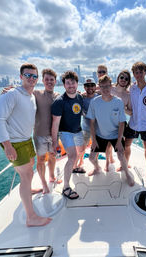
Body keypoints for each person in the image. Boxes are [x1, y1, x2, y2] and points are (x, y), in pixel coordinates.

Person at [0, 63, 51, 227]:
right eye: (28, 75)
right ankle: (31, 217)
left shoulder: (31, 96)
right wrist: (8, 146)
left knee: (28, 171)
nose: (31, 78)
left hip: (26, 139)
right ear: (21, 77)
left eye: (34, 76)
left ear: (37, 79)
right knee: (26, 176)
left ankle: (27, 190)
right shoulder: (12, 94)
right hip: (15, 142)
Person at [86, 75, 134, 187]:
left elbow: (122, 123)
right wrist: (93, 140)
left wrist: (119, 140)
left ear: (111, 86)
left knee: (121, 155)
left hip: (115, 134)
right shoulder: (94, 102)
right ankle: (97, 168)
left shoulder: (118, 102)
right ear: (99, 87)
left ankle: (127, 173)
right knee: (91, 158)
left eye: (107, 86)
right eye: (102, 86)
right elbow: (91, 123)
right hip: (100, 134)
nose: (105, 89)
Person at [51, 71, 84, 199]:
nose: (71, 85)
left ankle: (75, 167)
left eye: (73, 82)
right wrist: (54, 143)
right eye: (68, 83)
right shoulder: (59, 102)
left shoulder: (79, 97)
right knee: (72, 156)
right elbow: (55, 124)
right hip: (66, 132)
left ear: (77, 83)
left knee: (81, 151)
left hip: (78, 130)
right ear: (64, 85)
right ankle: (65, 187)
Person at [124, 61, 146, 177]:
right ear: (133, 74)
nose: (139, 75)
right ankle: (125, 164)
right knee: (127, 145)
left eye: (141, 72)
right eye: (136, 73)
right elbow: (115, 88)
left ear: (145, 72)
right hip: (133, 123)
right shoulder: (131, 88)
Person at [33, 69, 61, 194]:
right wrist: (9, 89)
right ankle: (44, 183)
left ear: (55, 81)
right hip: (40, 134)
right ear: (42, 81)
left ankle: (52, 177)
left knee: (53, 156)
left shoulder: (58, 96)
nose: (49, 82)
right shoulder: (36, 94)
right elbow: (21, 92)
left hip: (54, 135)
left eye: (51, 79)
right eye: (47, 79)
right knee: (41, 159)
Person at [106, 70, 132, 171]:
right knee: (108, 145)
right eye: (122, 77)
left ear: (128, 81)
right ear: (118, 78)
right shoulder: (110, 88)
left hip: (121, 122)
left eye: (126, 78)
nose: (123, 80)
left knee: (122, 145)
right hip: (108, 121)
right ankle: (107, 163)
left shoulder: (128, 95)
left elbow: (130, 112)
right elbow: (96, 90)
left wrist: (122, 108)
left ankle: (123, 164)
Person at [77, 78, 99, 169]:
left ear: (95, 86)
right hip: (86, 128)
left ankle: (95, 166)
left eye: (92, 85)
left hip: (97, 129)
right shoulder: (81, 98)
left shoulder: (100, 97)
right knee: (81, 148)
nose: (90, 87)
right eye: (87, 86)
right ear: (84, 87)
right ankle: (81, 160)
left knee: (95, 149)